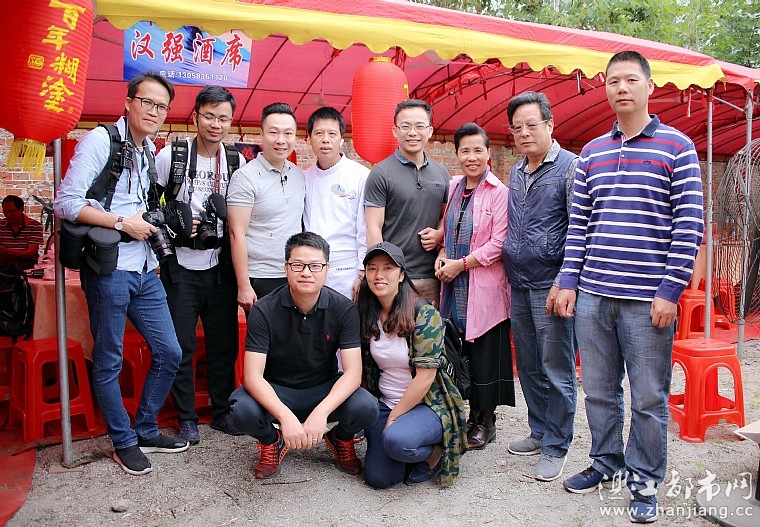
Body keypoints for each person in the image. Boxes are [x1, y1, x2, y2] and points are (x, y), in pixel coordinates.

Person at [555, 51, 704, 523]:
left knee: (648, 397)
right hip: (594, 295)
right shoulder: (592, 154)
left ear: (649, 86)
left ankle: (644, 479)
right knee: (599, 390)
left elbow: (689, 225)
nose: (622, 88)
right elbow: (579, 225)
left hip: (647, 300)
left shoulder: (677, 147)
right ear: (605, 88)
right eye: (613, 80)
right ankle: (605, 461)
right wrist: (568, 281)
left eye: (631, 79)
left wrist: (670, 290)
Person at [54, 73, 188, 476]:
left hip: (145, 267)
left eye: (162, 106)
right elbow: (66, 202)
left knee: (170, 351)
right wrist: (121, 223)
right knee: (109, 359)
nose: (154, 112)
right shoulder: (100, 140)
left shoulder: (148, 149)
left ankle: (144, 428)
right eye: (147, 102)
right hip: (109, 267)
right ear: (128, 102)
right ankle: (123, 441)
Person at [228, 232, 378, 479]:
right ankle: (271, 441)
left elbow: (353, 373)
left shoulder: (344, 309)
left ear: (327, 269)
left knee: (366, 406)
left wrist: (321, 413)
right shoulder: (263, 310)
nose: (306, 272)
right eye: (298, 265)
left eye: (315, 266)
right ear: (286, 268)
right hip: (278, 388)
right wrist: (284, 417)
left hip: (322, 387)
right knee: (242, 410)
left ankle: (340, 438)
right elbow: (253, 376)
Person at [155, 86, 246, 445]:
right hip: (179, 264)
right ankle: (187, 417)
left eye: (223, 118)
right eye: (209, 116)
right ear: (195, 116)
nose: (215, 124)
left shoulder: (236, 162)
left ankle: (222, 412)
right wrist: (173, 223)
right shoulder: (172, 156)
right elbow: (150, 203)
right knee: (181, 346)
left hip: (220, 265)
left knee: (223, 344)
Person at [501, 92, 578, 482]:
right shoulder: (517, 171)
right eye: (517, 127)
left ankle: (557, 445)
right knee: (529, 366)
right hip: (519, 282)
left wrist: (565, 281)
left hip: (551, 284)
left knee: (557, 368)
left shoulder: (570, 168)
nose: (524, 133)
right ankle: (539, 430)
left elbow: (581, 229)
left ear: (549, 125)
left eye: (532, 125)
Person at [359, 241, 466, 488]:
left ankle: (434, 453)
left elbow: (425, 377)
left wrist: (395, 417)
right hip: (386, 401)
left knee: (397, 441)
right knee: (379, 478)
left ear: (401, 275)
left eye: (388, 268)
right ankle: (402, 448)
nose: (379, 275)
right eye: (372, 268)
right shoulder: (367, 311)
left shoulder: (424, 313)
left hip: (428, 404)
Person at [435, 123, 512, 452]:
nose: (472, 157)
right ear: (456, 154)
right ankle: (464, 417)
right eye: (465, 150)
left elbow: (499, 243)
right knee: (458, 350)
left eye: (478, 150)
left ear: (488, 153)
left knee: (484, 354)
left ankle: (485, 421)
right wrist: (442, 254)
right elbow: (447, 230)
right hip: (454, 286)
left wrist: (460, 264)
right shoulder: (453, 187)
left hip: (484, 286)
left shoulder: (499, 192)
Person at [364, 99, 449, 306]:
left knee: (430, 327)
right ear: (395, 131)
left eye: (419, 126)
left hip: (431, 276)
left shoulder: (441, 173)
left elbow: (445, 217)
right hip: (395, 277)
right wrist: (383, 273)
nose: (412, 133)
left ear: (429, 131)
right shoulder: (381, 173)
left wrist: (439, 233)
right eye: (405, 126)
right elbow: (373, 227)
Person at [227, 102, 305, 311]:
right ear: (261, 134)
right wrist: (244, 285)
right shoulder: (245, 177)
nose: (281, 140)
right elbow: (236, 233)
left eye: (288, 133)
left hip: (294, 273)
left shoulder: (299, 175)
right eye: (273, 132)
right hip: (261, 276)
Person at [303, 107, 369, 301]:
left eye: (332, 134)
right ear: (309, 138)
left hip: (347, 269)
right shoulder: (303, 177)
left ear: (341, 138)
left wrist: (362, 271)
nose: (325, 139)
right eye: (319, 133)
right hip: (310, 268)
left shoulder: (360, 175)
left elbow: (365, 226)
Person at [0, 195, 44, 270]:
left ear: (21, 209)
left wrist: (7, 251)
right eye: (5, 211)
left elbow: (30, 253)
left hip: (26, 266)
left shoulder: (35, 226)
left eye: (11, 211)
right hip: (3, 265)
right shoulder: (1, 225)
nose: (8, 215)